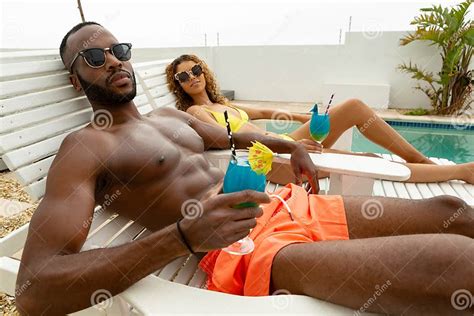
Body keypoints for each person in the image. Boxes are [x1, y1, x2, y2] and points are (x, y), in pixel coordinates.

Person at [15, 22, 473, 315]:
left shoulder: (170, 118)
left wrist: (286, 146)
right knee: (454, 266)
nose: (113, 59)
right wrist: (182, 238)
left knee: (452, 209)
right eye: (94, 57)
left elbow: (235, 136)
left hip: (285, 204)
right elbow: (35, 288)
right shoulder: (84, 146)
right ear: (77, 80)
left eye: (119, 49)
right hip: (241, 248)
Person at [166, 54, 474, 184]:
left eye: (195, 70)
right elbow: (223, 141)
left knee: (352, 106)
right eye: (183, 76)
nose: (191, 77)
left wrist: (315, 118)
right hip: (269, 159)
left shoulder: (224, 104)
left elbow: (267, 113)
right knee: (366, 160)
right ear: (178, 85)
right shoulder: (196, 112)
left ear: (204, 73)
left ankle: (422, 160)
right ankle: (461, 172)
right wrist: (285, 146)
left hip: (285, 144)